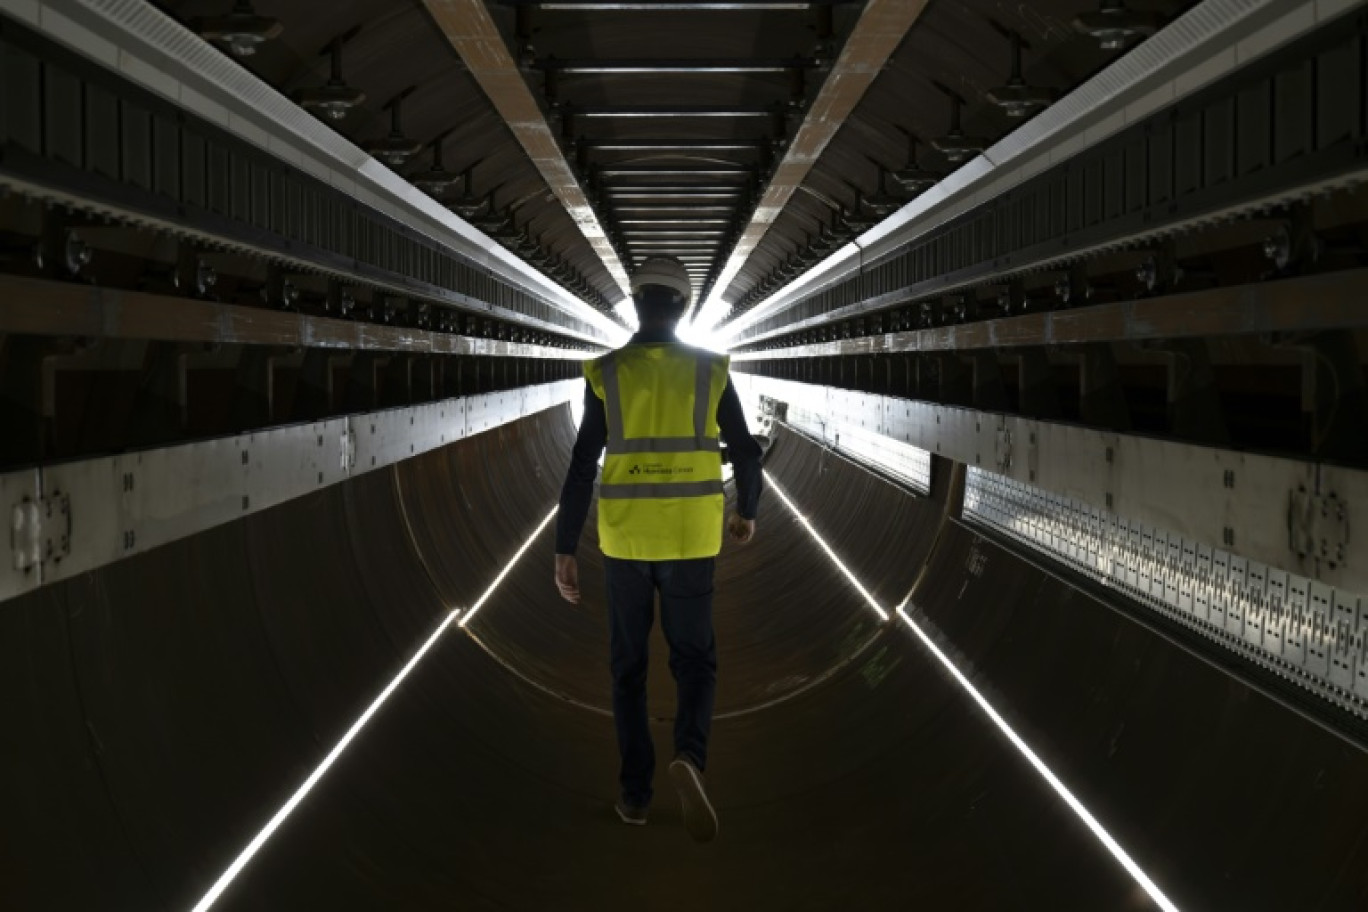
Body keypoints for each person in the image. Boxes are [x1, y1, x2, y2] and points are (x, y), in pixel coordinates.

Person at [553, 256, 763, 843]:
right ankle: (689, 759)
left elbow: (579, 466)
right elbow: (745, 452)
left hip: (623, 541)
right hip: (692, 539)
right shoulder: (710, 371)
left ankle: (635, 795)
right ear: (685, 307)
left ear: (634, 302)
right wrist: (746, 512)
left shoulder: (608, 374)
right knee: (695, 661)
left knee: (628, 669)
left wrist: (564, 546)